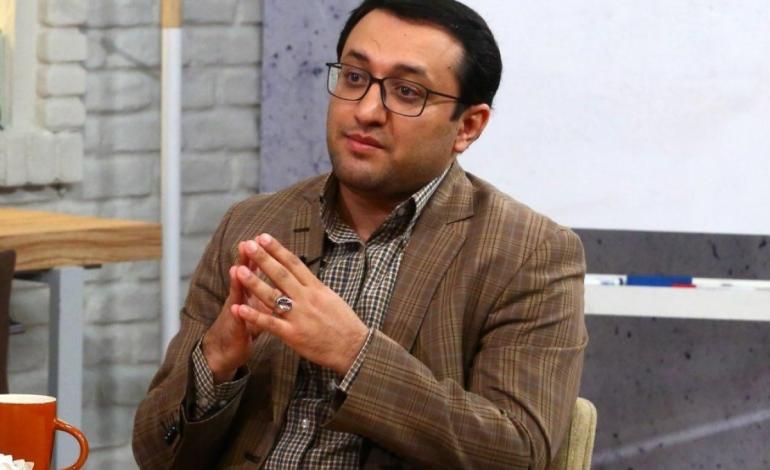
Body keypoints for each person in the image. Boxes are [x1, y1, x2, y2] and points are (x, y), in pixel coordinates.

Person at [132, 0, 587, 468]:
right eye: (354, 78)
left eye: (407, 92)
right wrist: (215, 361)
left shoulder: (529, 253)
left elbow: (517, 454)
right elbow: (153, 452)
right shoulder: (253, 226)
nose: (367, 111)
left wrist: (353, 353)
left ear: (468, 126)